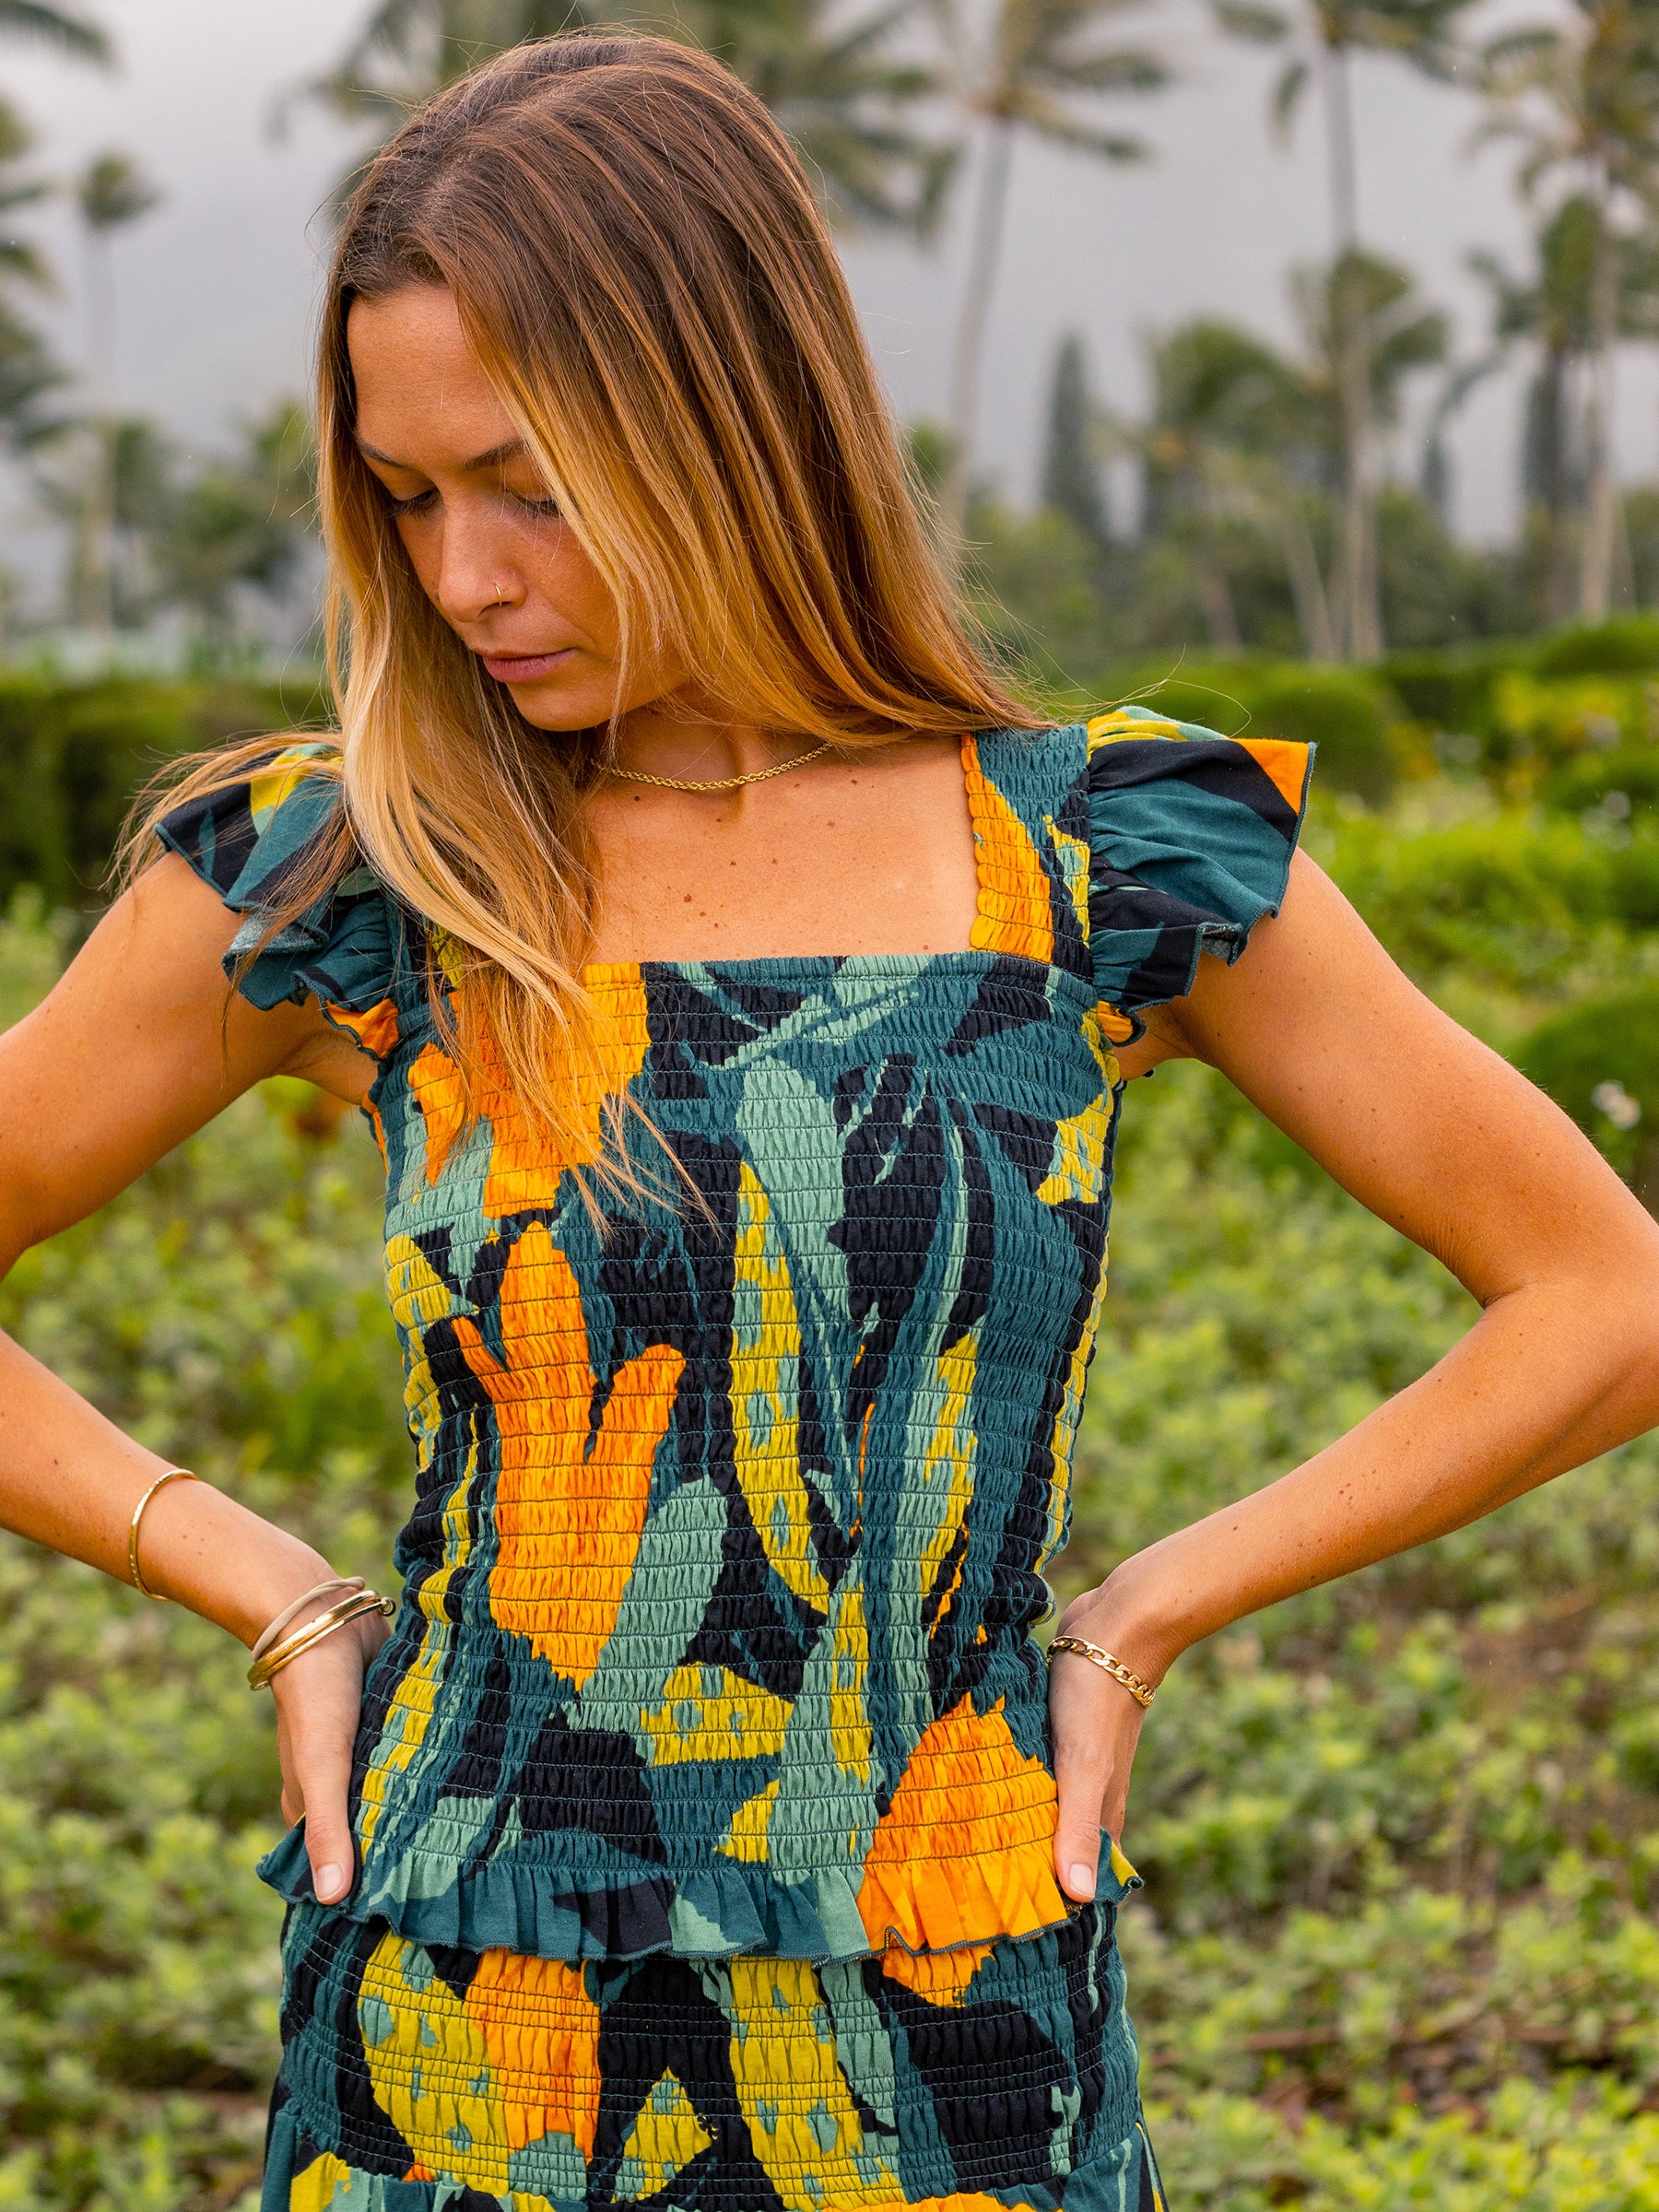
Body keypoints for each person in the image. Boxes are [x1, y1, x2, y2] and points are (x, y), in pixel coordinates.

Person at [3, 32, 1657, 2212]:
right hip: (462, 2031)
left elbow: (1605, 1297)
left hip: (960, 2030)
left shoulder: (1089, 862)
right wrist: (267, 1590)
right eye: (406, 498)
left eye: (526, 485)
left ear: (730, 423)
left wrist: (1142, 1614)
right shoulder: (368, 872)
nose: (464, 577)